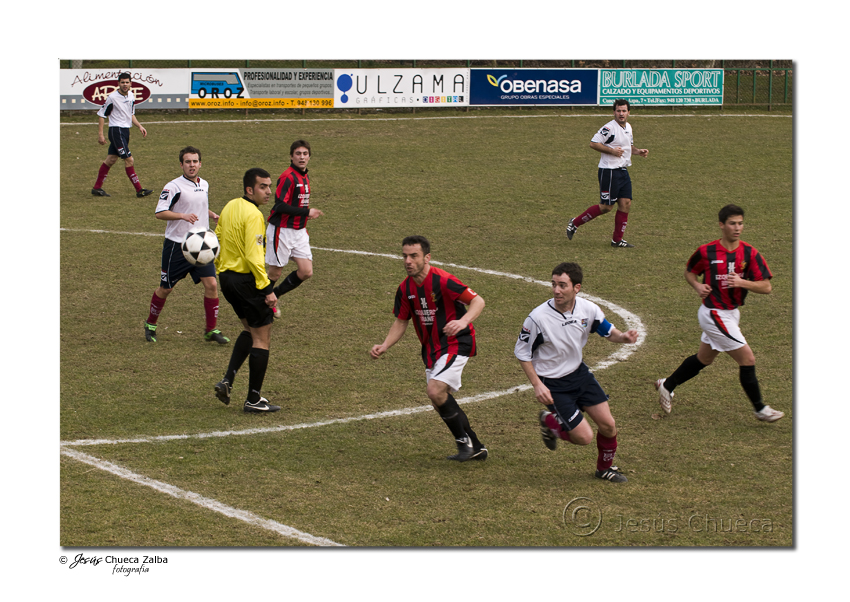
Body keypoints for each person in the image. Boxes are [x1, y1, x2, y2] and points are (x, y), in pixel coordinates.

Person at [655, 204, 783, 422]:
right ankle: (760, 409)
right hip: (713, 314)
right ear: (721, 225)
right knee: (747, 359)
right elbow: (690, 272)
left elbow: (767, 286)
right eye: (732, 223)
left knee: (704, 358)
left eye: (740, 223)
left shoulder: (750, 253)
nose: (737, 228)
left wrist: (743, 282)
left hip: (732, 313)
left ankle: (667, 385)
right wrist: (696, 286)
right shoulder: (706, 251)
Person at [514, 262, 638, 483]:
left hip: (580, 375)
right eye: (554, 284)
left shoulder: (588, 309)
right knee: (583, 438)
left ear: (576, 287)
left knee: (608, 425)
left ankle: (604, 469)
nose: (556, 290)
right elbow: (522, 353)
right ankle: (551, 423)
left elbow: (608, 331)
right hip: (553, 384)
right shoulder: (537, 318)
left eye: (562, 285)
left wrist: (623, 337)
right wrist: (537, 384)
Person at [370, 236, 487, 462]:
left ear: (427, 257)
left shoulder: (443, 281)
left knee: (435, 390)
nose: (408, 261)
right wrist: (385, 345)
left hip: (457, 342)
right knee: (439, 400)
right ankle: (477, 447)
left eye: (414, 256)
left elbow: (478, 301)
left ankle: (463, 443)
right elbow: (401, 321)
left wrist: (463, 322)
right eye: (404, 256)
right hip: (432, 350)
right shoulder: (404, 289)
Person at [143, 146, 229, 345]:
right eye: (188, 162)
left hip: (201, 246)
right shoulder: (173, 187)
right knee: (166, 289)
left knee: (212, 285)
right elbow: (159, 213)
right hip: (177, 247)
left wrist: (211, 214)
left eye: (195, 161)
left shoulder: (204, 184)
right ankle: (151, 323)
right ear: (181, 164)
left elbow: (198, 205)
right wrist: (182, 216)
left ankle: (211, 330)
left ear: (200, 163)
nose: (192, 165)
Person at [213, 169, 280, 413]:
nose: (269, 192)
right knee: (262, 338)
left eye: (269, 186)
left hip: (227, 280)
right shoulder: (254, 215)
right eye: (263, 187)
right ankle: (253, 399)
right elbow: (254, 256)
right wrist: (266, 288)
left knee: (249, 330)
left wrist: (221, 269)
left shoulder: (230, 206)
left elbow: (217, 238)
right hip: (245, 281)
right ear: (249, 190)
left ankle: (227, 381)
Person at [565, 99, 648, 248]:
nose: (621, 114)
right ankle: (574, 223)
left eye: (624, 111)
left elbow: (628, 146)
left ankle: (617, 240)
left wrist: (638, 151)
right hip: (609, 171)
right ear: (614, 112)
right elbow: (593, 143)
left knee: (626, 203)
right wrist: (612, 151)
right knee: (606, 207)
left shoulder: (628, 127)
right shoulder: (609, 128)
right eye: (618, 111)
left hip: (623, 170)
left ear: (629, 112)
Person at [265, 140, 325, 319]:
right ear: (291, 156)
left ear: (309, 157)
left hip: (299, 231)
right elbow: (280, 205)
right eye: (298, 153)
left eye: (305, 154)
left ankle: (273, 295)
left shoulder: (304, 176)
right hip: (281, 230)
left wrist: (304, 216)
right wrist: (307, 212)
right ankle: (264, 303)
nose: (302, 157)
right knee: (275, 271)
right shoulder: (287, 177)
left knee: (306, 271)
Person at [91, 72, 153, 198]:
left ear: (130, 83)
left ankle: (96, 188)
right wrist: (100, 135)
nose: (125, 85)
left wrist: (140, 126)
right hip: (116, 131)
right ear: (118, 84)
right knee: (129, 160)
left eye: (127, 82)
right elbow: (102, 114)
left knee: (111, 159)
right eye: (122, 82)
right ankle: (139, 190)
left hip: (125, 131)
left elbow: (130, 114)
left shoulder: (131, 95)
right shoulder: (112, 97)